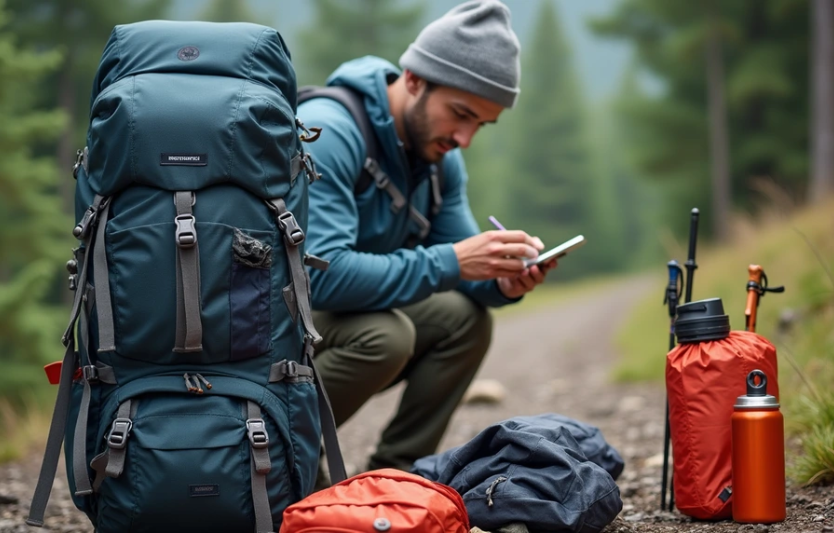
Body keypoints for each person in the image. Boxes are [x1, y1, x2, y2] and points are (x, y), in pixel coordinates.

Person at [297, 0, 557, 480]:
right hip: (271, 319)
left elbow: (461, 265)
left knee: (464, 319)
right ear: (414, 79)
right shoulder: (329, 132)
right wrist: (453, 261)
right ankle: (285, 447)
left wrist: (503, 281)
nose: (465, 139)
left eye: (481, 123)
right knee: (384, 337)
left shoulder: (437, 160)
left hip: (342, 311)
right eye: (460, 113)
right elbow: (321, 277)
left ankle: (394, 475)